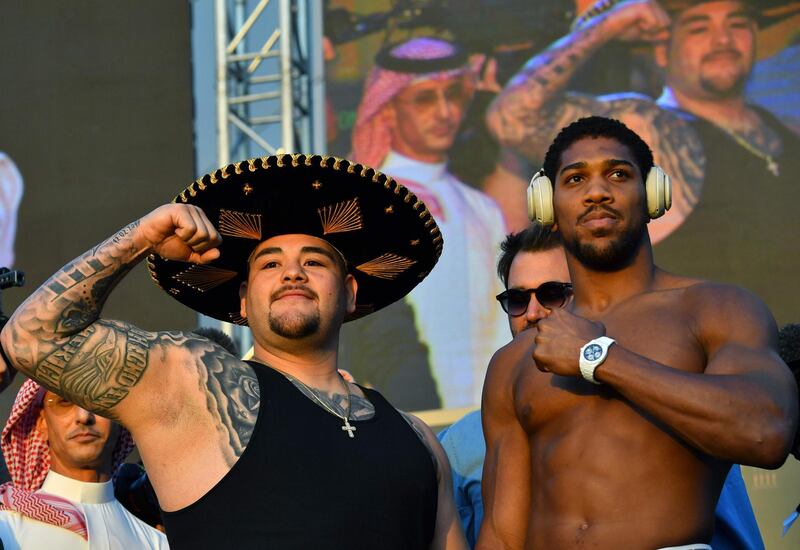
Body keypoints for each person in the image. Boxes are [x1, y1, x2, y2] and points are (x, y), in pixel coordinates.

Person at [0, 153, 466, 548]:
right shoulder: (193, 387)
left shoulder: (419, 440)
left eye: (314, 261)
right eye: (270, 263)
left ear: (348, 292)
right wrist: (141, 237)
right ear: (242, 299)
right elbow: (32, 339)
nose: (292, 273)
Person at [477, 116, 797, 548]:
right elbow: (501, 534)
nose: (596, 192)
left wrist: (599, 357)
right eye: (575, 179)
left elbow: (765, 432)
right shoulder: (513, 362)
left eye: (618, 174)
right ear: (547, 206)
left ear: (652, 193)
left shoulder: (715, 308)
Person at [440, 223, 764, 549]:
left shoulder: (669, 407)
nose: (534, 312)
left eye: (553, 294)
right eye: (517, 299)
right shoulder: (459, 445)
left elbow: (736, 534)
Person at [486, 0, 800, 323]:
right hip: (704, 364)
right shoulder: (647, 127)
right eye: (699, 28)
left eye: (736, 24)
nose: (723, 40)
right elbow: (510, 119)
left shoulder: (787, 131)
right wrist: (607, 27)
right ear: (662, 51)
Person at [347, 36, 508, 409]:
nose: (445, 112)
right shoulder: (363, 200)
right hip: (405, 416)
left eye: (453, 95)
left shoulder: (484, 208)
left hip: (485, 419)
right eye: (425, 99)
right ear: (387, 109)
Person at [0, 378, 168, 549]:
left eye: (98, 399)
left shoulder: (157, 544)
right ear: (42, 423)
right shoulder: (5, 529)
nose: (84, 416)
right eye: (64, 401)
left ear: (121, 420)